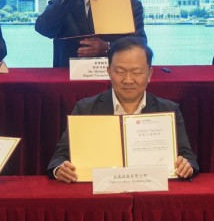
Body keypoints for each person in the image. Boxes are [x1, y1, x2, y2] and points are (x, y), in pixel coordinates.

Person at [48, 36, 198, 182]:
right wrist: (60, 168)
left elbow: (187, 156)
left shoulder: (168, 110)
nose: (128, 80)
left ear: (149, 74)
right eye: (120, 71)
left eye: (137, 72)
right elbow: (60, 157)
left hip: (151, 193)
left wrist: (187, 165)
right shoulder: (85, 109)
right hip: (100, 195)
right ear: (108, 71)